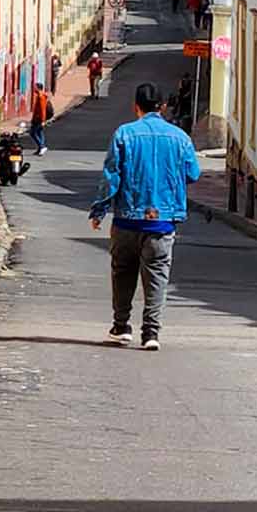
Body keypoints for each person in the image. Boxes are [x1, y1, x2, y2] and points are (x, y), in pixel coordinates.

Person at [90, 82, 202, 350]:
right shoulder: (180, 138)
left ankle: (121, 326)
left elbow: (111, 176)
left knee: (123, 271)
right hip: (162, 221)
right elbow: (193, 173)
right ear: (163, 107)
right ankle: (151, 333)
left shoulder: (124, 134)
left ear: (136, 107)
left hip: (127, 218)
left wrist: (100, 209)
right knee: (157, 275)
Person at [28, 84, 52, 155]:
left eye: (35, 87)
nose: (34, 88)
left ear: (38, 88)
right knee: (39, 132)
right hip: (37, 118)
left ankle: (42, 146)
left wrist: (43, 120)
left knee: (33, 133)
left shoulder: (41, 97)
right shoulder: (40, 96)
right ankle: (40, 149)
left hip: (38, 119)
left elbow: (42, 110)